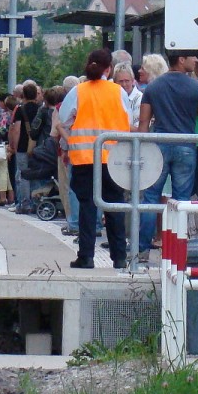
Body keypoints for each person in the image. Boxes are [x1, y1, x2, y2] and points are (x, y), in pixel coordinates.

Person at [59, 48, 131, 270]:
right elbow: (128, 119)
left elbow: (64, 119)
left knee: (87, 208)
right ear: (109, 69)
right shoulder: (118, 92)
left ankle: (86, 256)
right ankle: (119, 257)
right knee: (114, 206)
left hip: (84, 158)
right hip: (113, 159)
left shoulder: (78, 92)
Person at [137, 51, 198, 261]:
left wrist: (143, 151)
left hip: (159, 145)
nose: (196, 60)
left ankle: (142, 251)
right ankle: (178, 252)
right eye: (193, 57)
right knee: (181, 201)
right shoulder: (197, 88)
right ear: (181, 59)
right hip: (186, 145)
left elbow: (143, 124)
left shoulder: (154, 87)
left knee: (150, 198)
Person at [9, 81, 43, 213]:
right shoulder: (40, 109)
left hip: (23, 145)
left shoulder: (20, 109)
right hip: (38, 147)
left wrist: (15, 146)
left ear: (23, 95)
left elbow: (16, 129)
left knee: (23, 175)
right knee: (35, 174)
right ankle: (36, 202)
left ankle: (25, 203)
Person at [113, 62, 142, 129]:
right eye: (120, 81)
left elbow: (139, 130)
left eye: (127, 81)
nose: (124, 84)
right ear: (114, 82)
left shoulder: (139, 98)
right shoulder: (112, 97)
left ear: (132, 81)